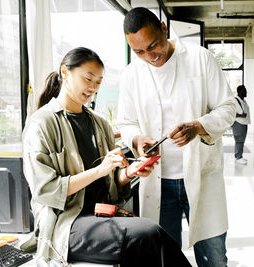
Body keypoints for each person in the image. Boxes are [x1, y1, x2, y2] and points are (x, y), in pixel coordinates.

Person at [22, 47, 191, 267]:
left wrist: (129, 172)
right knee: (147, 234)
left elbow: (111, 180)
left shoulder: (99, 123)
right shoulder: (41, 123)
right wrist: (100, 169)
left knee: (152, 237)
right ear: (65, 72)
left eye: (99, 81)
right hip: (67, 224)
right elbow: (45, 190)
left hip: (103, 213)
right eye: (88, 78)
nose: (93, 87)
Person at [117, 7, 236, 267]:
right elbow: (125, 122)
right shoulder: (131, 75)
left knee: (214, 258)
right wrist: (137, 140)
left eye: (153, 46)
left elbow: (229, 108)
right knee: (164, 259)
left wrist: (199, 126)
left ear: (163, 27)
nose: (150, 56)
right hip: (158, 185)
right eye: (139, 51)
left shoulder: (200, 59)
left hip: (202, 177)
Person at [232, 85, 251, 165]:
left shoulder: (243, 101)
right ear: (239, 92)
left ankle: (240, 156)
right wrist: (240, 116)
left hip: (244, 123)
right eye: (244, 90)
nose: (246, 92)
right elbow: (231, 113)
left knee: (242, 140)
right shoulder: (235, 101)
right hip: (238, 123)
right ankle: (238, 157)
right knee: (239, 140)